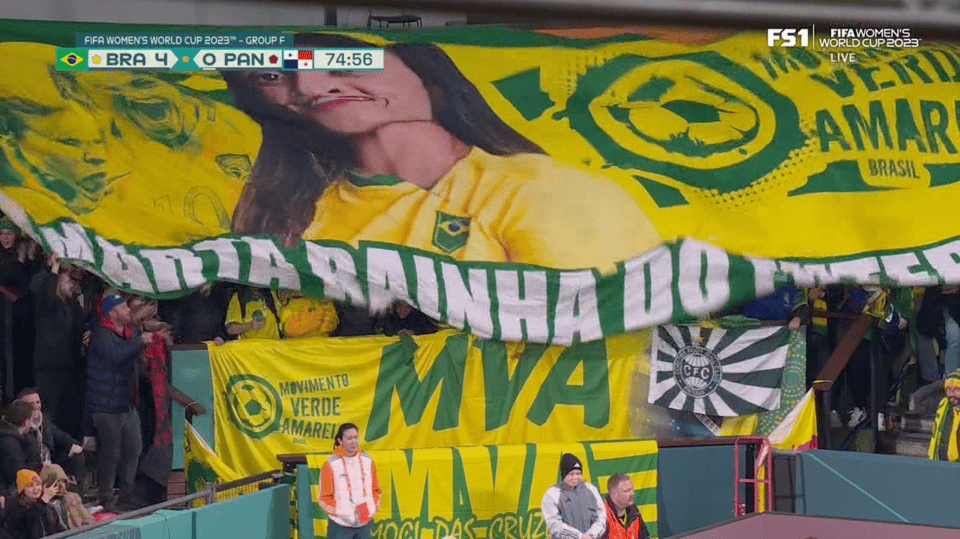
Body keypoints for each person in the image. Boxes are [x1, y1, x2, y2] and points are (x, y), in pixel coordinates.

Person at [221, 34, 660, 272]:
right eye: (271, 76)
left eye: (345, 59)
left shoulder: (549, 192)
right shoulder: (289, 216)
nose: (309, 86)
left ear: (421, 66)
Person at [86, 292, 150, 511]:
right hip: (107, 405)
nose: (128, 310)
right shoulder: (101, 334)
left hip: (128, 403)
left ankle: (126, 494)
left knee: (134, 449)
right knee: (110, 454)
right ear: (112, 312)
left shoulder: (129, 332)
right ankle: (106, 496)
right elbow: (116, 356)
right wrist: (139, 342)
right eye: (123, 307)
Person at [29, 261, 86, 439]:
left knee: (66, 414)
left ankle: (68, 447)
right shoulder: (47, 303)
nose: (72, 285)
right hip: (48, 368)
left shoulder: (72, 306)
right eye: (69, 280)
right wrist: (53, 269)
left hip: (68, 368)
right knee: (49, 414)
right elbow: (39, 289)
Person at [318, 423, 381, 539]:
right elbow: (323, 497)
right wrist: (341, 512)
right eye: (349, 438)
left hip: (364, 523)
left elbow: (376, 489)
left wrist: (372, 507)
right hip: (340, 525)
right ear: (340, 441)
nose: (354, 442)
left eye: (356, 437)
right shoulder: (331, 464)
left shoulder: (368, 460)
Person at [15, 389, 84, 488]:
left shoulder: (44, 420)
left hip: (50, 460)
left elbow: (60, 435)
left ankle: (77, 489)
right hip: (33, 466)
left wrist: (73, 444)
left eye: (37, 402)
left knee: (77, 456)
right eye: (31, 403)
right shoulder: (19, 426)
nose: (36, 406)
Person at [541, 453, 606, 539]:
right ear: (564, 474)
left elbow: (601, 516)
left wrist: (591, 534)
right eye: (571, 474)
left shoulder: (591, 489)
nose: (575, 477)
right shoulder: (552, 493)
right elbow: (555, 525)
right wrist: (579, 536)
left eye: (578, 473)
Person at [3, 469, 64, 539]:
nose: (36, 488)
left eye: (38, 484)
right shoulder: (14, 505)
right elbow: (29, 520)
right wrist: (44, 500)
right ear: (23, 490)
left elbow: (58, 528)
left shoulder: (44, 504)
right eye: (30, 485)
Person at [0, 402, 41, 496]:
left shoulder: (18, 438)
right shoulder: (9, 444)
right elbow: (18, 474)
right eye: (31, 419)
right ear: (25, 422)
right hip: (11, 491)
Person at [39, 464, 93, 530]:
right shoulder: (41, 506)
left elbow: (87, 520)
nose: (62, 486)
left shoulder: (72, 498)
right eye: (56, 482)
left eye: (63, 481)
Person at [601, 474, 649, 539]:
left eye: (632, 489)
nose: (632, 493)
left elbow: (644, 537)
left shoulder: (634, 511)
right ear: (614, 494)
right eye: (627, 491)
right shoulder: (601, 515)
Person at [929, 369, 960, 461]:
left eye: (957, 389)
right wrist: (943, 383)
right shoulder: (945, 406)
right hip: (942, 461)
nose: (952, 393)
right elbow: (918, 398)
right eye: (948, 389)